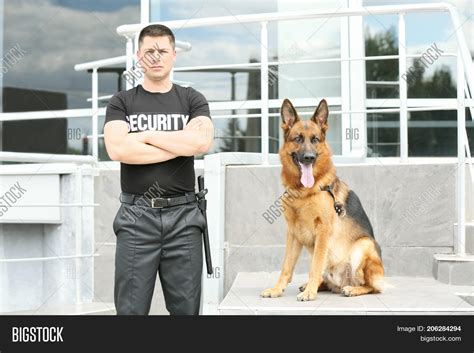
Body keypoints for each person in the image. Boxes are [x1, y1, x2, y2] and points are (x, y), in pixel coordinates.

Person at [103, 24, 214, 315]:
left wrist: (146, 135)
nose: (156, 56)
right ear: (139, 56)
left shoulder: (192, 99)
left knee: (186, 312)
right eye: (149, 51)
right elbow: (117, 149)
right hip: (136, 218)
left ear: (173, 55)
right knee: (130, 312)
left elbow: (201, 142)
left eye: (162, 50)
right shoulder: (121, 102)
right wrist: (179, 143)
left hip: (184, 219)